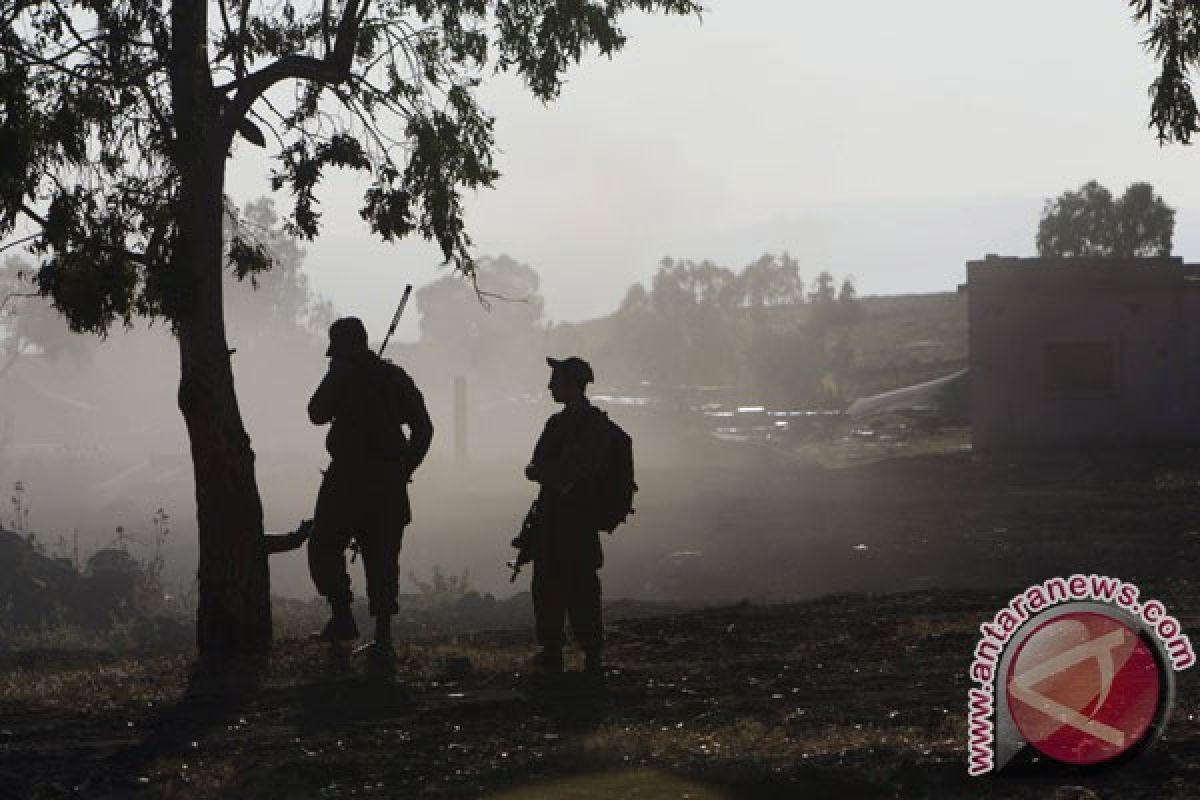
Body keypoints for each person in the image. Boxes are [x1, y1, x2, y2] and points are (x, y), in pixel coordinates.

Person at [306, 316, 433, 650]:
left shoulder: (344, 376)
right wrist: (404, 468)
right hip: (385, 482)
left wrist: (337, 377)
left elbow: (316, 413)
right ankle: (381, 634)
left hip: (348, 479)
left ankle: (344, 616)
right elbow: (423, 429)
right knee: (382, 556)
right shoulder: (393, 377)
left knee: (324, 545)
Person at [524, 356, 611, 678]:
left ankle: (591, 655)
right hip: (553, 518)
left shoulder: (594, 426)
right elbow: (537, 467)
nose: (550, 386)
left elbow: (572, 472)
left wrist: (551, 472)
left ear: (573, 383)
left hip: (578, 519)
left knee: (581, 585)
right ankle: (552, 652)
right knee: (546, 583)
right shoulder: (556, 424)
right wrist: (552, 472)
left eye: (556, 380)